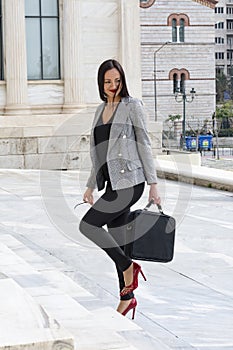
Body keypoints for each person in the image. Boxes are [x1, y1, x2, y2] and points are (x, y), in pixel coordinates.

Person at [79, 59, 161, 319]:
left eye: (117, 81)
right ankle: (127, 298)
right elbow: (98, 153)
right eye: (108, 81)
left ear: (123, 81)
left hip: (130, 183)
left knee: (88, 225)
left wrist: (153, 185)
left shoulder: (132, 106)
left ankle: (129, 268)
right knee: (120, 239)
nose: (113, 86)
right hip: (111, 183)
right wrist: (91, 185)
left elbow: (144, 144)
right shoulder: (100, 110)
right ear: (101, 83)